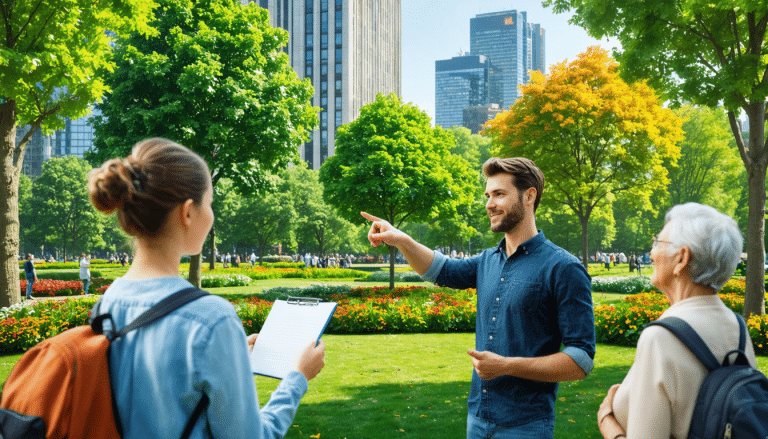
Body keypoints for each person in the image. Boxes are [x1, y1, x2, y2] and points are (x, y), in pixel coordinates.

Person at [87, 138, 326, 439]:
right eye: (209, 203)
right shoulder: (211, 318)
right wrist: (297, 377)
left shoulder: (108, 303)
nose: (211, 215)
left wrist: (229, 356)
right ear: (187, 212)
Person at [362, 157, 595, 439]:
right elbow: (441, 269)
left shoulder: (563, 268)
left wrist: (507, 366)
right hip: (478, 419)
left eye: (499, 194)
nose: (489, 204)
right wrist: (400, 239)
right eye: (488, 195)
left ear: (529, 195)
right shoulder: (487, 261)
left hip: (526, 426)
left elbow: (580, 360)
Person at [597, 203, 756, 439]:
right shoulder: (738, 327)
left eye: (658, 243)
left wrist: (607, 422)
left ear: (682, 258)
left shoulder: (661, 337)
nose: (651, 254)